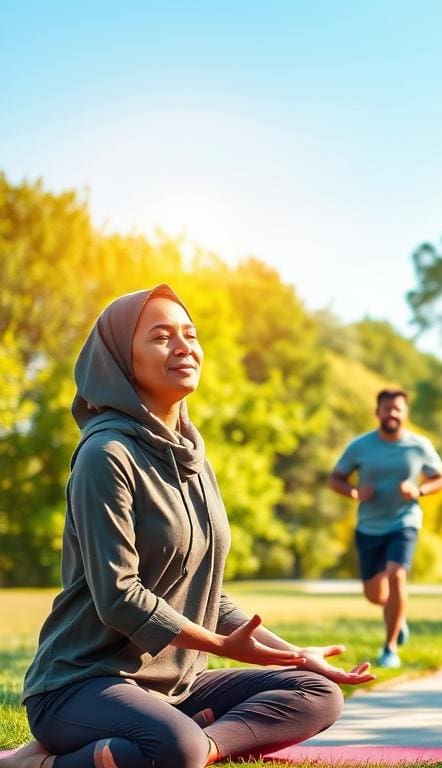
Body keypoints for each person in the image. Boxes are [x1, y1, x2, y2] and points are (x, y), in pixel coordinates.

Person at [1, 286, 374, 768]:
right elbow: (119, 597)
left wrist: (295, 656)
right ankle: (37, 762)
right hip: (81, 683)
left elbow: (209, 597)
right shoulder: (104, 456)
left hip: (173, 688)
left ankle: (194, 747)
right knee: (176, 747)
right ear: (121, 361)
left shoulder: (194, 459)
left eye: (190, 334)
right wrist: (220, 648)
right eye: (161, 336)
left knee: (316, 692)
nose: (184, 346)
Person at [329, 390, 442, 669]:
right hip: (369, 526)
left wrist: (419, 490)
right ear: (377, 412)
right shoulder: (360, 446)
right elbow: (336, 478)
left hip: (404, 521)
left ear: (405, 413)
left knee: (397, 574)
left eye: (397, 409)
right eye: (386, 409)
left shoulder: (419, 445)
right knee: (374, 594)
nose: (391, 414)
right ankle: (398, 615)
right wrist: (355, 492)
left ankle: (390, 648)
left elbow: (441, 477)